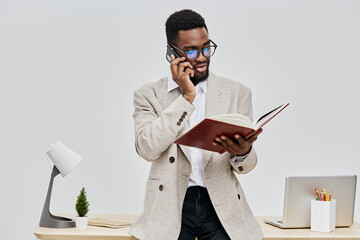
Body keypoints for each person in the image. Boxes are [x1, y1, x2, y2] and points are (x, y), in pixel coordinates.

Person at [129, 9, 263, 240]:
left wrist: (243, 152)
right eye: (191, 50)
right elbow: (147, 149)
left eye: (206, 47)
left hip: (220, 204)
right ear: (172, 52)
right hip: (171, 205)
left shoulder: (237, 93)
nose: (201, 57)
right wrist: (187, 97)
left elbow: (246, 167)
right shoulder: (148, 95)